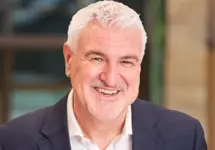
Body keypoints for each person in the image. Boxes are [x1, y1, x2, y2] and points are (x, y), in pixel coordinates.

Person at [0, 1, 207, 150]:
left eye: (126, 61)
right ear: (69, 59)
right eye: (97, 58)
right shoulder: (13, 141)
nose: (110, 78)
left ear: (139, 68)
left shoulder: (184, 138)